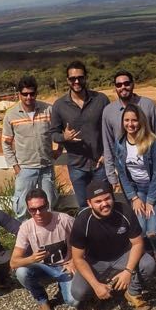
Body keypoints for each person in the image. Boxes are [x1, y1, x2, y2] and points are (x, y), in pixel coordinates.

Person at [69, 179, 155, 310]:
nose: (104, 204)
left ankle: (132, 292)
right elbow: (78, 258)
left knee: (148, 263)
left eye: (107, 198)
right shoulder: (82, 221)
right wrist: (95, 285)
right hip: (95, 261)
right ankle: (99, 292)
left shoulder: (124, 210)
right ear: (89, 203)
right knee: (77, 293)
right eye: (98, 201)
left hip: (123, 255)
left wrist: (128, 271)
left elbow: (138, 243)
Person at [49, 60, 109, 210]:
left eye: (80, 77)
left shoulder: (100, 100)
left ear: (86, 77)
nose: (77, 81)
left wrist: (108, 153)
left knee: (106, 204)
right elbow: (54, 133)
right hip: (76, 166)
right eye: (72, 78)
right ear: (67, 80)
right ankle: (89, 233)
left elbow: (111, 130)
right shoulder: (59, 105)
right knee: (84, 206)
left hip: (100, 164)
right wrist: (64, 138)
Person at [10, 188, 77, 310]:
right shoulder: (26, 227)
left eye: (41, 208)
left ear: (48, 205)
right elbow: (13, 262)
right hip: (43, 267)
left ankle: (62, 283)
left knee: (73, 302)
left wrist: (74, 260)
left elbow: (83, 242)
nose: (38, 213)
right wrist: (31, 258)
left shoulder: (64, 220)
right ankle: (42, 300)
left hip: (65, 266)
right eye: (33, 210)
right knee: (21, 272)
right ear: (28, 210)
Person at [112, 103, 156, 246]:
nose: (130, 124)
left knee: (153, 230)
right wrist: (134, 197)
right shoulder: (119, 144)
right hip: (138, 190)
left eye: (134, 120)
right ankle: (148, 256)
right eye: (127, 120)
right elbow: (122, 174)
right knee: (141, 228)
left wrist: (150, 201)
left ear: (141, 121)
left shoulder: (152, 142)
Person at [2, 75, 57, 218]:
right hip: (25, 168)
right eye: (25, 94)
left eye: (32, 93)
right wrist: (15, 166)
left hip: (46, 167)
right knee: (21, 207)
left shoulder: (48, 110)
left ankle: (48, 236)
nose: (28, 97)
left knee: (49, 204)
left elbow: (59, 132)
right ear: (19, 94)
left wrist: (60, 149)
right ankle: (23, 234)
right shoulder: (11, 115)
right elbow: (6, 143)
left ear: (36, 93)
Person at [101, 69, 156, 191]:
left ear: (133, 84)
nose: (123, 87)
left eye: (126, 83)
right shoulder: (108, 111)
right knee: (135, 208)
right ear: (115, 88)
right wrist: (111, 175)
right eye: (119, 85)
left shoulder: (148, 105)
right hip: (127, 174)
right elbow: (108, 145)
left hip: (152, 170)